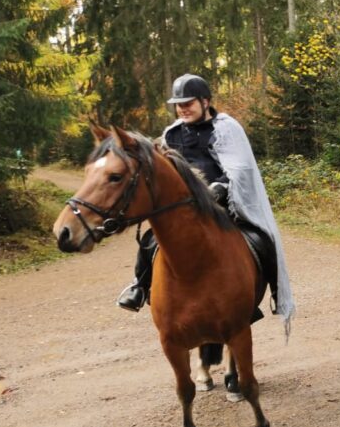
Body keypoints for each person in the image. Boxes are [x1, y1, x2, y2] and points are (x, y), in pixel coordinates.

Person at [117, 73, 295, 333]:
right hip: (184, 210)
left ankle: (276, 292)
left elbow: (240, 168)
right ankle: (139, 286)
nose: (182, 109)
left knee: (262, 239)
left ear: (205, 101)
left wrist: (219, 187)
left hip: (222, 205)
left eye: (188, 103)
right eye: (179, 105)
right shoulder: (172, 133)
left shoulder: (225, 129)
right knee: (149, 240)